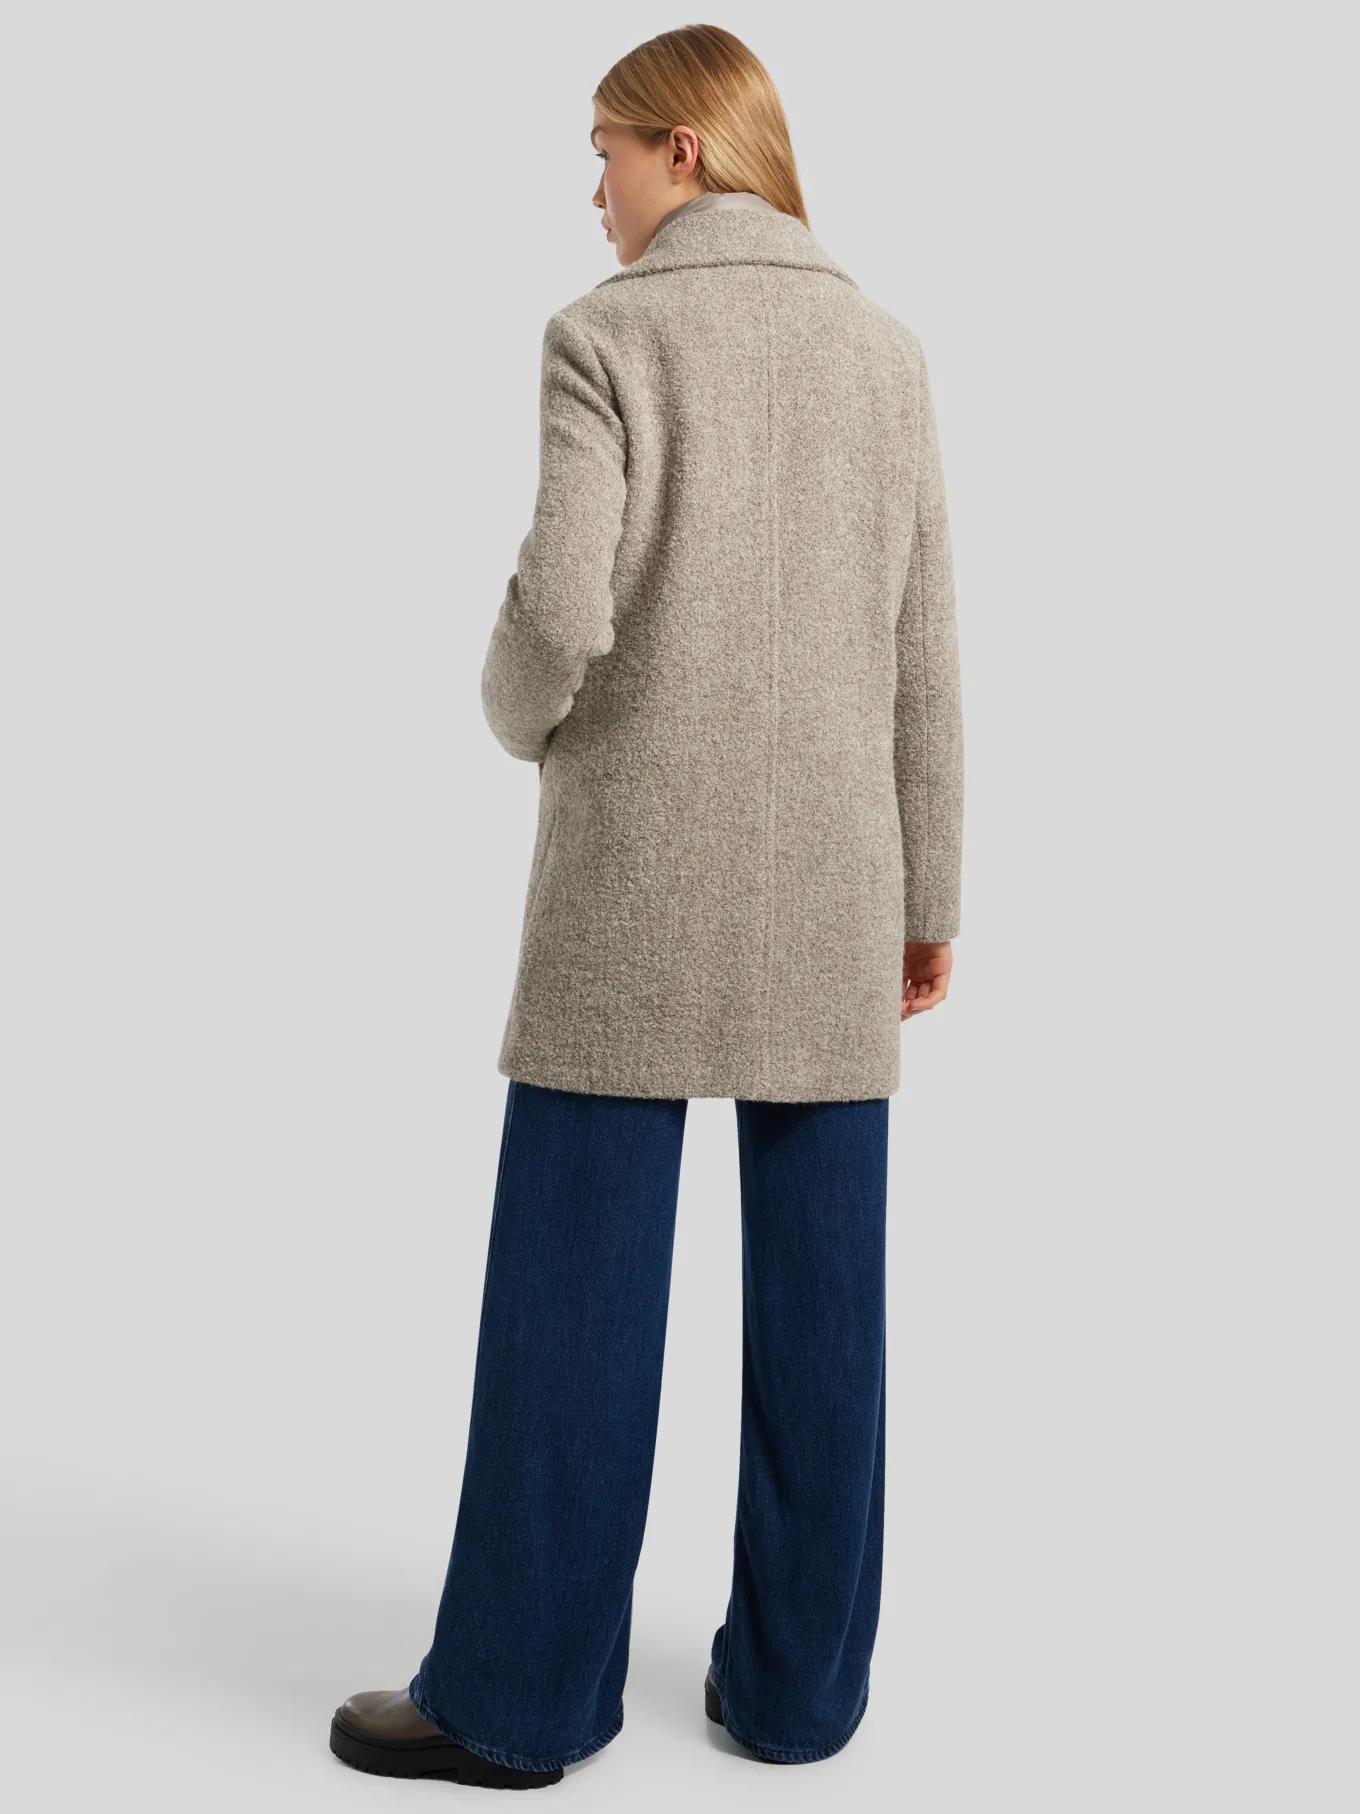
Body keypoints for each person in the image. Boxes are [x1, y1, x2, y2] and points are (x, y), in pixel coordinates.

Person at [329, 22, 963, 1791]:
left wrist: (510, 714)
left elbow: (560, 604)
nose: (590, 188)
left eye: (603, 148)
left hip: (634, 884)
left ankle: (518, 1698)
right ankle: (801, 1693)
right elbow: (926, 650)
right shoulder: (886, 353)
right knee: (827, 1306)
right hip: (834, 885)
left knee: (573, 1290)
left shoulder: (606, 336)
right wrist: (930, 887)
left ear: (685, 148)